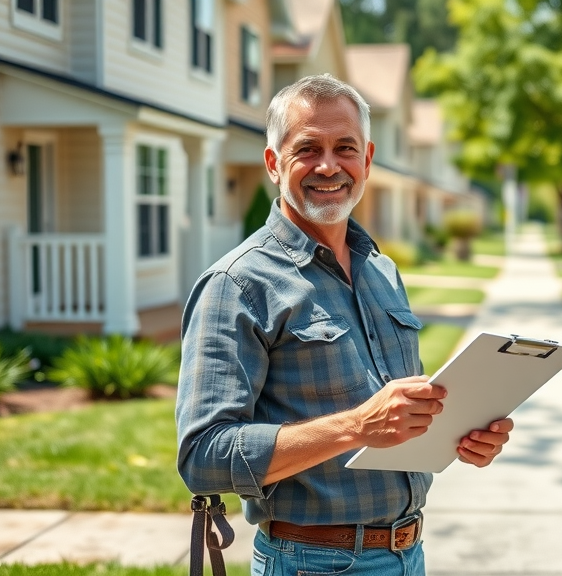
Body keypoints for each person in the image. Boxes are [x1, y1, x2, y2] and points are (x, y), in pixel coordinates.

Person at [175, 73, 514, 576]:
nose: (329, 165)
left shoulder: (381, 269)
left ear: (368, 160)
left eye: (345, 148)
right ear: (273, 163)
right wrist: (356, 427)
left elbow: (395, 419)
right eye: (308, 149)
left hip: (409, 553)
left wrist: (461, 434)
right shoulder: (237, 284)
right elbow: (203, 457)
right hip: (312, 562)